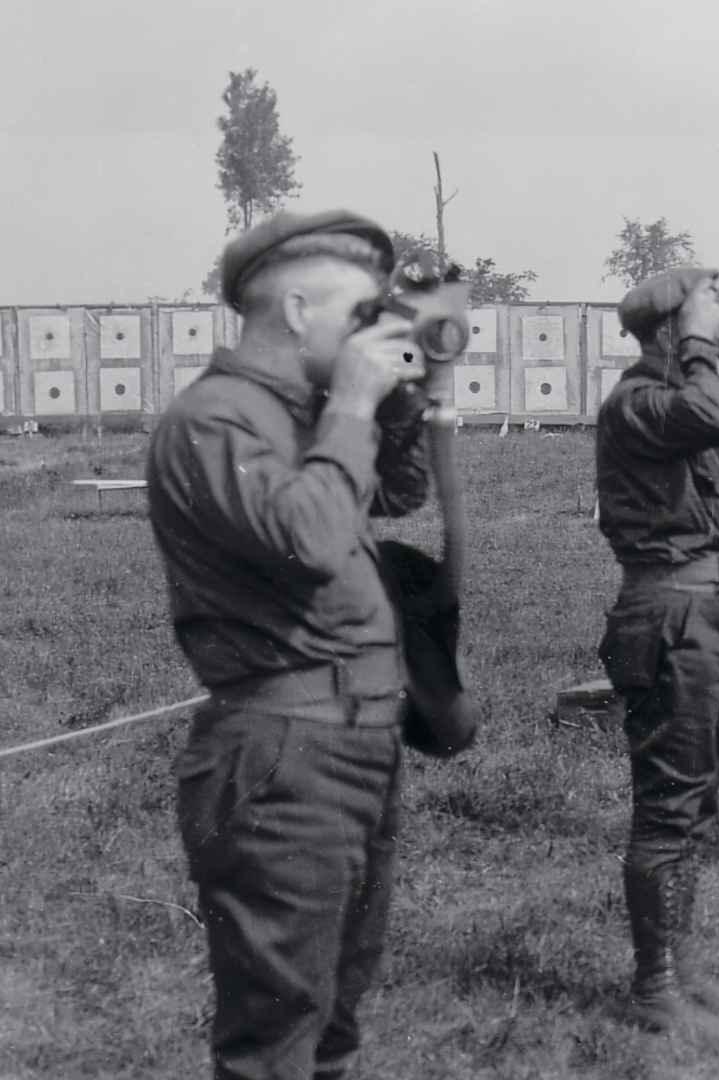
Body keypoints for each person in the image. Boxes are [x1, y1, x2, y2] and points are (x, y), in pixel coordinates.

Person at [148, 209, 434, 1080]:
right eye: (362, 315)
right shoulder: (214, 420)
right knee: (276, 1037)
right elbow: (307, 536)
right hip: (283, 756)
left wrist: (398, 410)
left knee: (337, 1015)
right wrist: (351, 401)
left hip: (352, 744)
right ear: (301, 310)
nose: (375, 334)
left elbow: (391, 498)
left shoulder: (301, 413)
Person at [597, 266, 719, 1034]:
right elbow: (709, 409)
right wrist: (706, 339)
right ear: (671, 329)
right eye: (700, 320)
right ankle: (653, 985)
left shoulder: (681, 398)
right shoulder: (640, 402)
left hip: (714, 617)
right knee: (668, 810)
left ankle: (678, 964)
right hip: (675, 620)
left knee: (697, 802)